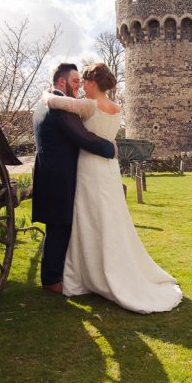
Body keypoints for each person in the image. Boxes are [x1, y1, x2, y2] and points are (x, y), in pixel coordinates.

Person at [44, 62, 181, 314]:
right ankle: (111, 267)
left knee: (88, 218)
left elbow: (56, 103)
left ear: (92, 82)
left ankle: (88, 274)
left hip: (88, 167)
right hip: (108, 169)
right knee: (110, 217)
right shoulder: (117, 108)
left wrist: (46, 93)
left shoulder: (88, 106)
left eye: (84, 81)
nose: (81, 86)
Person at [32, 63, 117, 294]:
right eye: (75, 81)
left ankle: (56, 274)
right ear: (62, 82)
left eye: (81, 81)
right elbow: (83, 137)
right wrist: (111, 149)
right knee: (60, 227)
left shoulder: (45, 102)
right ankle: (51, 280)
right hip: (60, 177)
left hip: (50, 174)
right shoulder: (58, 108)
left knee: (58, 227)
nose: (79, 86)